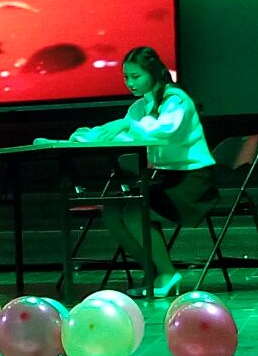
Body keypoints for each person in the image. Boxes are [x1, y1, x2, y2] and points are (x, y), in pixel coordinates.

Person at [68, 46, 219, 298]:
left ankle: (167, 272)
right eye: (126, 77)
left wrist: (128, 125)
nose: (130, 83)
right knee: (112, 211)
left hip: (192, 181)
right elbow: (123, 136)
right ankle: (151, 270)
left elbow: (164, 131)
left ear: (153, 73)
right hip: (166, 178)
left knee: (135, 212)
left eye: (136, 76)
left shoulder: (176, 100)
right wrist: (87, 136)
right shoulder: (139, 107)